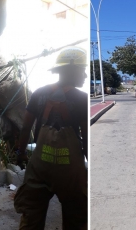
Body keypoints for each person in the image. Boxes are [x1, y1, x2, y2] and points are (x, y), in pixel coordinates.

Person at [14, 46, 88, 230]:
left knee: (31, 216)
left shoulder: (39, 93)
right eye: (83, 70)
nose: (85, 75)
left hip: (40, 167)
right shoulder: (82, 99)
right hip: (70, 171)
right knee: (76, 217)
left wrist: (21, 153)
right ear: (73, 70)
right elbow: (86, 139)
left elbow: (25, 128)